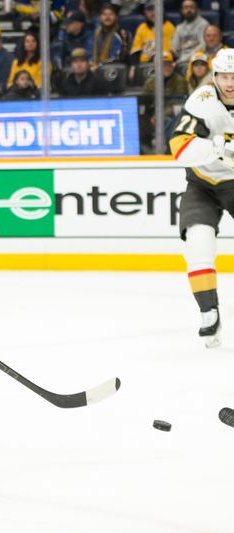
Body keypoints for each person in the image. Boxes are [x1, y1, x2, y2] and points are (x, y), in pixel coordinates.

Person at [169, 49, 234, 347]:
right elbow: (179, 147)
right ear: (215, 76)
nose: (229, 82)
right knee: (198, 243)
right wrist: (218, 146)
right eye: (223, 76)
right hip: (202, 184)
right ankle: (209, 313)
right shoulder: (202, 101)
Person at [129, 0, 175, 66]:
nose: (153, 13)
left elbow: (173, 50)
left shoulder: (169, 26)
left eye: (155, 9)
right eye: (150, 10)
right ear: (145, 12)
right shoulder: (142, 27)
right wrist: (134, 66)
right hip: (145, 65)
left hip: (165, 63)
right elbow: (136, 51)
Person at [171, 0, 208, 69]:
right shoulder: (179, 27)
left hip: (198, 60)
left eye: (191, 7)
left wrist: (184, 59)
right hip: (180, 62)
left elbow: (203, 45)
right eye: (186, 7)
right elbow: (174, 48)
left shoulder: (203, 24)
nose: (189, 10)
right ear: (182, 10)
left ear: (197, 9)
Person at [90, 4, 130, 68]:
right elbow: (89, 52)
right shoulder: (96, 33)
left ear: (116, 17)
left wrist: (99, 66)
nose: (107, 17)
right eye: (104, 14)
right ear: (100, 17)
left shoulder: (122, 34)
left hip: (116, 70)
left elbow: (119, 58)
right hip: (96, 68)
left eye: (111, 14)